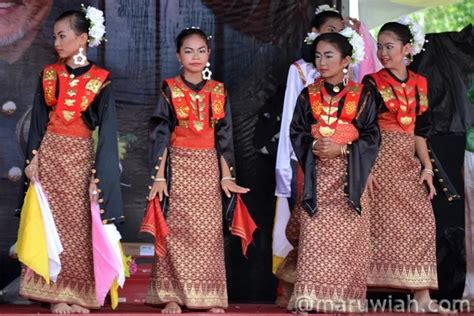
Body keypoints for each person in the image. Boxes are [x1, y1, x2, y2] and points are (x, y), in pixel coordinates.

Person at [273, 4, 381, 306]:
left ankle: (345, 299)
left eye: (329, 56)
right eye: (318, 56)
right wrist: (313, 145)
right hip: (318, 176)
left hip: (352, 176)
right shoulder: (309, 93)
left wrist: (343, 147)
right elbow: (296, 131)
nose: (322, 62)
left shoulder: (363, 94)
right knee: (316, 236)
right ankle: (310, 296)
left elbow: (372, 135)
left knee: (348, 240)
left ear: (346, 60)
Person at [17, 7, 122, 314]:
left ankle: (78, 293)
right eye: (55, 37)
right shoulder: (49, 75)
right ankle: (54, 294)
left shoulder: (101, 80)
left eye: (63, 36)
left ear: (83, 39)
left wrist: (97, 176)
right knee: (52, 225)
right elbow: (38, 121)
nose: (57, 43)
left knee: (79, 227)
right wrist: (33, 159)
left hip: (81, 158)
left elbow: (107, 133)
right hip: (50, 157)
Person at [146, 27, 249, 314]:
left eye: (201, 50)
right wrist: (159, 175)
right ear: (178, 55)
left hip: (208, 169)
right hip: (178, 166)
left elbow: (225, 137)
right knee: (174, 230)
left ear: (209, 55)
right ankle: (171, 296)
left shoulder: (218, 90)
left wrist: (226, 176)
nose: (195, 56)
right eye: (188, 51)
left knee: (208, 233)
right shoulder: (170, 87)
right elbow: (161, 133)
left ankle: (210, 296)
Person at [364, 18, 448, 312]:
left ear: (406, 49)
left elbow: (420, 131)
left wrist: (426, 168)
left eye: (389, 47)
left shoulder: (420, 83)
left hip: (408, 160)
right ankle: (358, 291)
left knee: (423, 222)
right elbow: (366, 129)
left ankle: (422, 298)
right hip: (380, 157)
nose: (383, 53)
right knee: (373, 224)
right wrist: (368, 169)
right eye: (379, 47)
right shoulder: (372, 82)